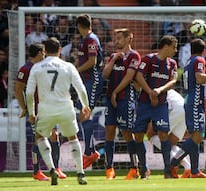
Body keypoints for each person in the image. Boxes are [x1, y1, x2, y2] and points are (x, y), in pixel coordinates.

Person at [26, 37, 90, 186]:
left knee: (40, 137)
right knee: (73, 137)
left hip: (46, 108)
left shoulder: (36, 67)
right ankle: (80, 173)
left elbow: (29, 93)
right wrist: (86, 106)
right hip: (65, 107)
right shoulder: (68, 66)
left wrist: (31, 112)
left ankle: (52, 169)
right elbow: (81, 88)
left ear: (45, 51)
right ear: (60, 50)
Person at [170, 38, 206, 178]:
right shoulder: (199, 60)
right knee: (199, 136)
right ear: (204, 50)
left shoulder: (188, 62)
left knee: (194, 137)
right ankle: (173, 163)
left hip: (190, 100)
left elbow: (199, 79)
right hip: (195, 102)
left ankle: (195, 171)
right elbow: (200, 79)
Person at [14, 42, 67, 181]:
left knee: (54, 135)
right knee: (39, 139)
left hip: (49, 107)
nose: (45, 55)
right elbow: (18, 90)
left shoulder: (45, 67)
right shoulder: (25, 69)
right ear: (39, 53)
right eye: (44, 52)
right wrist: (24, 108)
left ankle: (56, 168)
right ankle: (36, 171)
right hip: (35, 110)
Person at [133, 35, 179, 179]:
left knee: (163, 134)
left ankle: (167, 170)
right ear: (166, 46)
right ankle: (144, 169)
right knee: (139, 135)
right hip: (144, 103)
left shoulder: (172, 63)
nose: (175, 51)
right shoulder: (148, 59)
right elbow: (138, 76)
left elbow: (174, 81)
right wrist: (150, 92)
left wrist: (159, 91)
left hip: (161, 104)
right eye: (174, 47)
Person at [101, 28, 140, 180]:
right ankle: (109, 168)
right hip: (111, 99)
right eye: (115, 38)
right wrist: (113, 59)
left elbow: (129, 77)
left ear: (128, 38)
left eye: (119, 38)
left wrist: (116, 92)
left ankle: (134, 168)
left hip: (125, 98)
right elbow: (105, 74)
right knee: (109, 130)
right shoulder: (113, 56)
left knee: (126, 132)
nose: (116, 41)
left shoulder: (134, 56)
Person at [75, 14, 104, 169]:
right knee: (83, 114)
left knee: (85, 113)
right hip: (86, 81)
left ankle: (89, 153)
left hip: (92, 80)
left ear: (79, 25)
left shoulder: (91, 39)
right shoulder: (86, 40)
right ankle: (90, 151)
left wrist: (76, 70)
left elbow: (92, 62)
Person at [147, 89, 192, 178]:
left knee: (151, 135)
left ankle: (172, 166)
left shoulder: (150, 88)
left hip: (173, 109)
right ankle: (188, 168)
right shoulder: (165, 85)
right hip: (184, 107)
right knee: (170, 143)